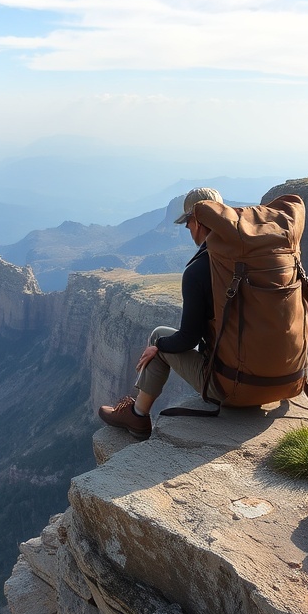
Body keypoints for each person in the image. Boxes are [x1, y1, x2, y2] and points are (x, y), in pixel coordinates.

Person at [98, 187, 225, 439]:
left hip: (229, 386)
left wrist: (159, 347)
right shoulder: (249, 257)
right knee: (163, 338)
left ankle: (137, 416)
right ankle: (137, 411)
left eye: (188, 223)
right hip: (273, 383)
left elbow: (188, 338)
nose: (188, 230)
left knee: (159, 338)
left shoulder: (199, 269)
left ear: (198, 220)